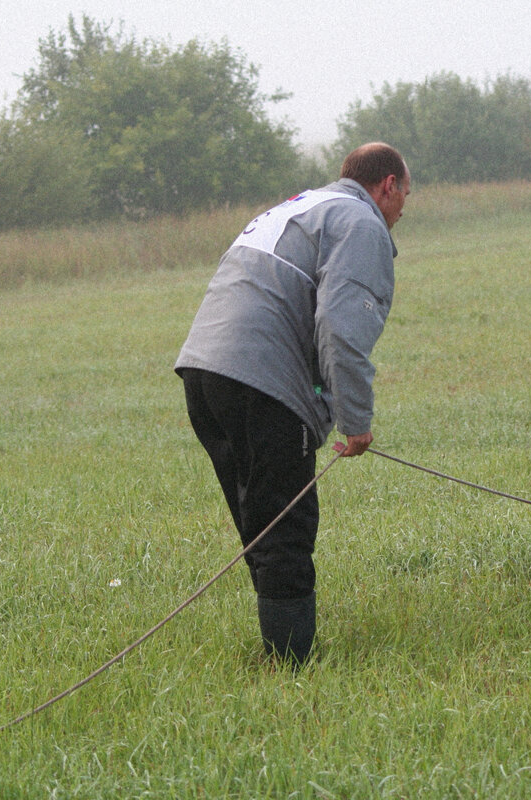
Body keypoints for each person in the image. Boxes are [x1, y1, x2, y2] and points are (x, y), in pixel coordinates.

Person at [174, 142, 410, 665]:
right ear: (387, 186)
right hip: (262, 383)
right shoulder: (361, 221)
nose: (400, 213)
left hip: (202, 372)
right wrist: (356, 421)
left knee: (260, 517)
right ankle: (290, 666)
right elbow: (341, 329)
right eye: (403, 198)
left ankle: (279, 642)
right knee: (285, 523)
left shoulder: (297, 206)